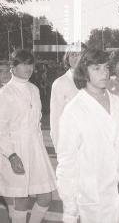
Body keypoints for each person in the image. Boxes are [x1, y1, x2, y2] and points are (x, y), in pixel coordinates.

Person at [56, 48, 119, 222]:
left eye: (106, 67)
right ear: (84, 72)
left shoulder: (118, 104)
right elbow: (66, 164)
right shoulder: (74, 110)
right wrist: (69, 208)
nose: (104, 73)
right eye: (96, 68)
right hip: (94, 199)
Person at [0, 49, 56, 223]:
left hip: (35, 149)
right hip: (14, 151)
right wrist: (11, 155)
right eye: (23, 63)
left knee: (46, 196)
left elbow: (37, 123)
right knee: (21, 201)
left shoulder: (34, 89)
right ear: (13, 67)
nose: (28, 67)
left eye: (31, 64)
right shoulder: (5, 93)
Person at [50, 48, 81, 151]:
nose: (77, 57)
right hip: (70, 142)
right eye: (73, 54)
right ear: (67, 58)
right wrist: (58, 148)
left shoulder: (95, 80)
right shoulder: (60, 83)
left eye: (80, 54)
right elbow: (55, 119)